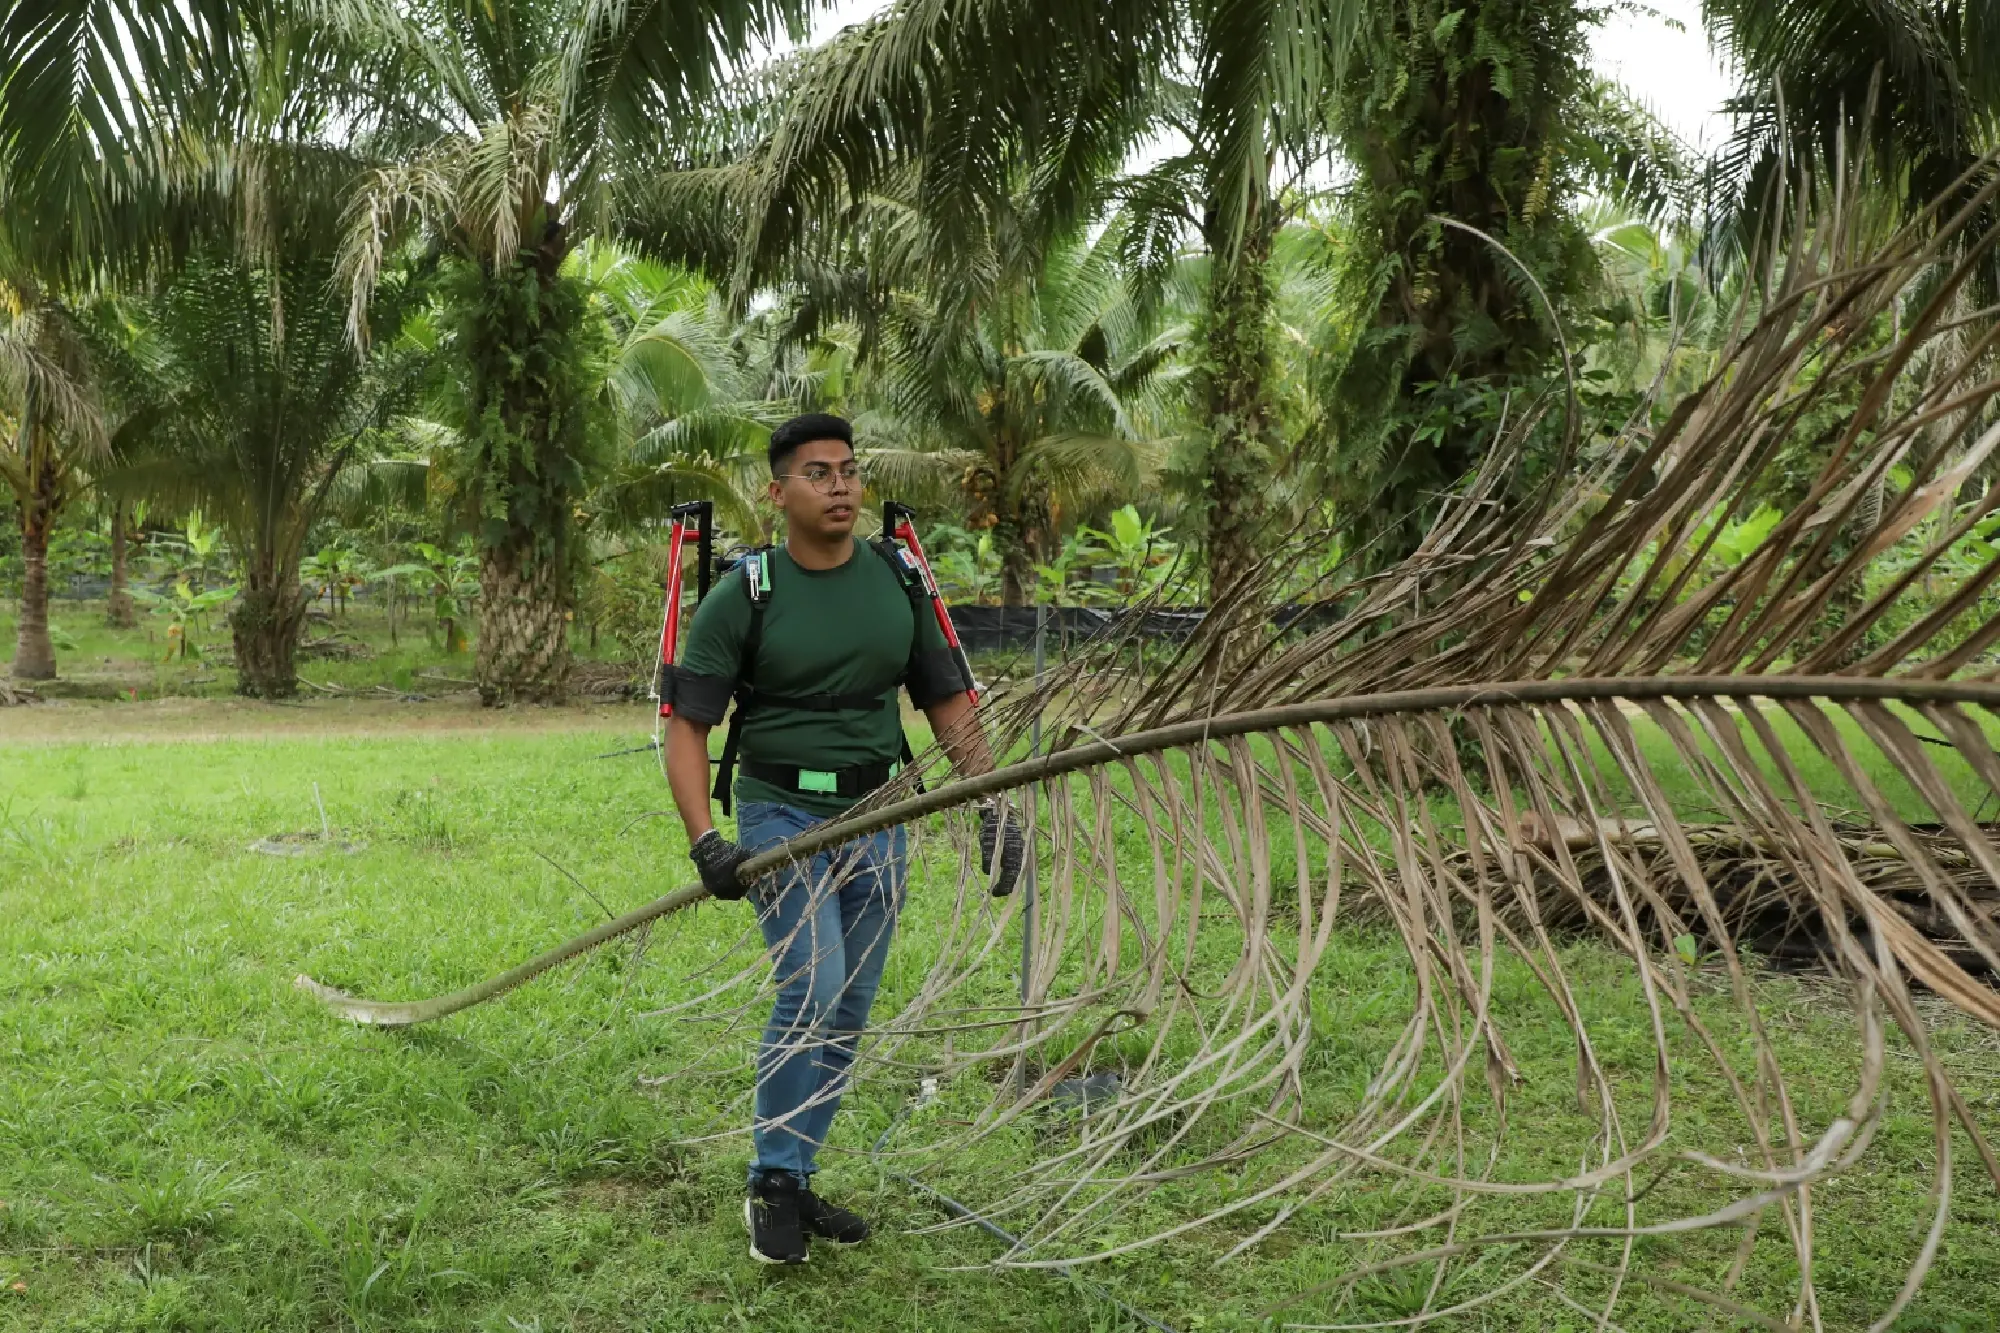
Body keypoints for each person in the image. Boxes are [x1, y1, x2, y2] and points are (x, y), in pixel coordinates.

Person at [662, 412, 1026, 1265]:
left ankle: (797, 1170)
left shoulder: (895, 579)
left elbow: (946, 701)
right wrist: (706, 840)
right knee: (813, 989)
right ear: (777, 491)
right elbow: (686, 725)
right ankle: (771, 1185)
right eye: (819, 473)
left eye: (850, 471)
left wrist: (990, 805)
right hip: (780, 818)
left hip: (880, 815)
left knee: (851, 1006)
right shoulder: (746, 591)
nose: (841, 487)